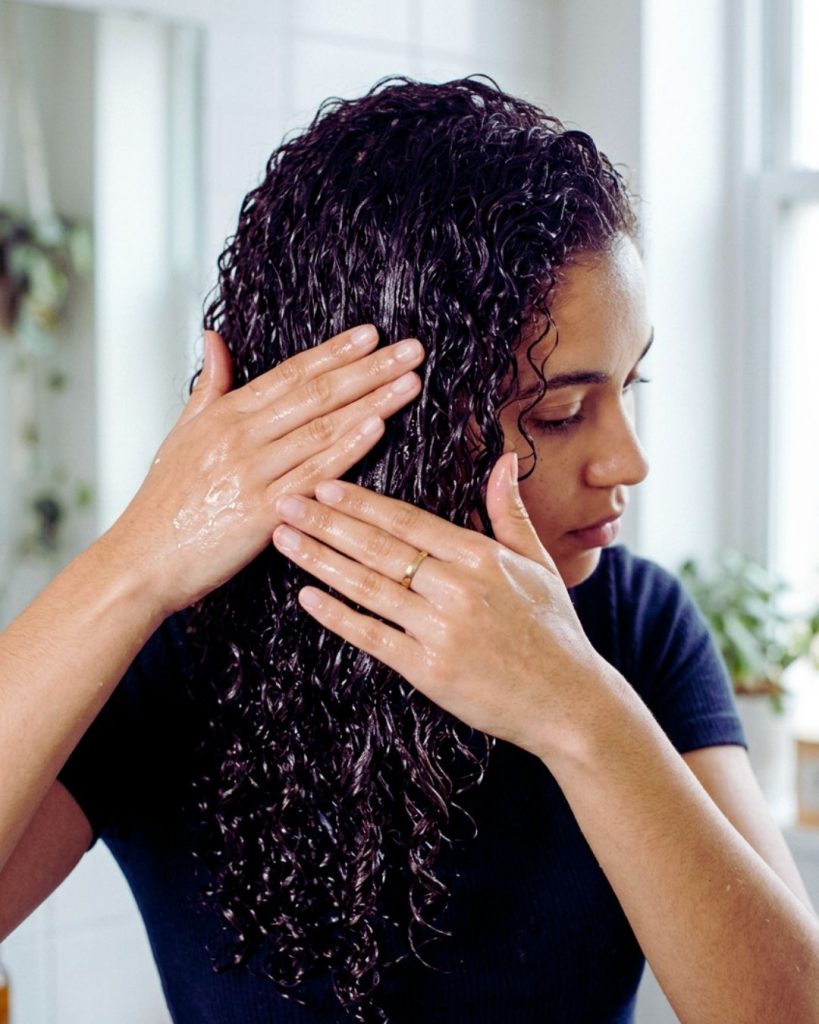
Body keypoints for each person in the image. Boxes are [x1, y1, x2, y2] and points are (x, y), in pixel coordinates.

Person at [0, 76, 817, 1024]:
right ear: (385, 424)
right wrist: (136, 559)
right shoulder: (184, 654)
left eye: (630, 385)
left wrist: (575, 709)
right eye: (557, 413)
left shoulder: (634, 626)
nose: (625, 460)